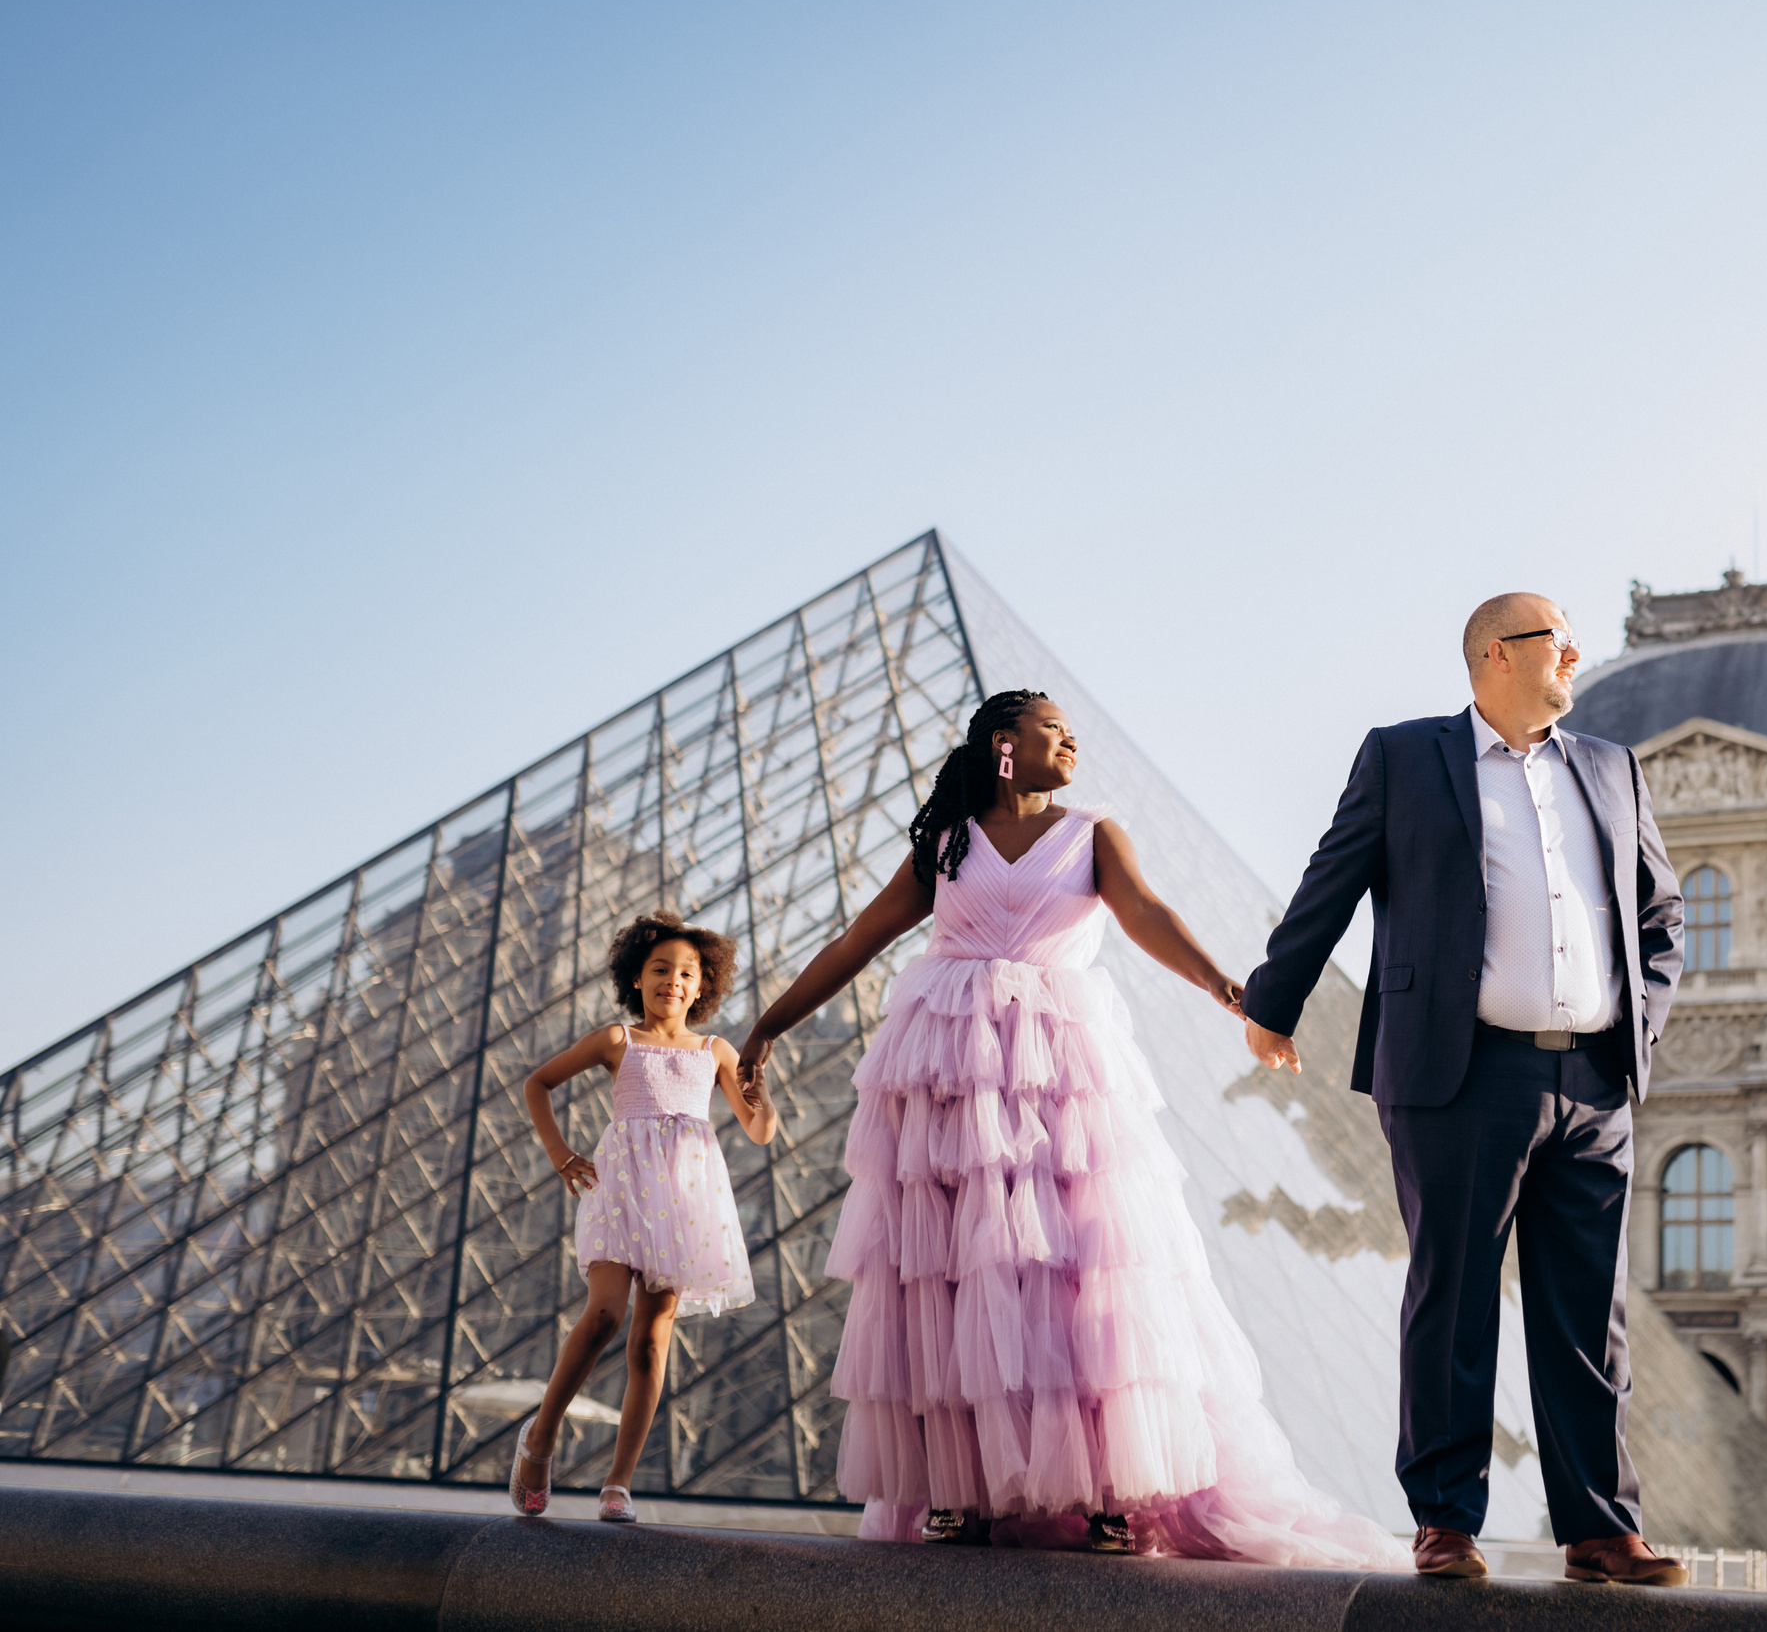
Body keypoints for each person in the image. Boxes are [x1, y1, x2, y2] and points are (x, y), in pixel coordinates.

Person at [738, 689, 1401, 1566]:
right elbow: (855, 942)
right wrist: (767, 1025)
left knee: (1084, 1263)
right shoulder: (945, 844)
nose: (1072, 740)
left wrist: (1230, 987)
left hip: (1062, 1068)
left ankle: (1109, 1490)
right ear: (1004, 743)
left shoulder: (1093, 831)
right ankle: (959, 1488)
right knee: (951, 1278)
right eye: (1056, 728)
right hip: (944, 1071)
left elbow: (1148, 915)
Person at [1242, 593, 1688, 1585]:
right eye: (1553, 640)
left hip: (1594, 1076)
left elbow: (1660, 913)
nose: (1573, 654)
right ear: (1495, 654)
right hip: (1461, 1067)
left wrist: (1640, 1021)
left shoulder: (1612, 768)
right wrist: (1274, 999)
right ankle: (1445, 1520)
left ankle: (1600, 1530)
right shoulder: (1404, 757)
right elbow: (1333, 876)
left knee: (1587, 1315)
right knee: (1453, 1300)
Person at [512, 912, 775, 1522]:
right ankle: (541, 1437)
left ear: (702, 984)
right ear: (636, 977)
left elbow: (758, 1131)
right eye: (661, 969)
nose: (674, 982)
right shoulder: (617, 1041)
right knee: (604, 1314)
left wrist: (762, 1094)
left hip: (682, 1204)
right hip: (619, 1187)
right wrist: (559, 1154)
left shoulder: (715, 1051)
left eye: (688, 972)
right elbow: (538, 1083)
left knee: (651, 1343)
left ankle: (619, 1483)